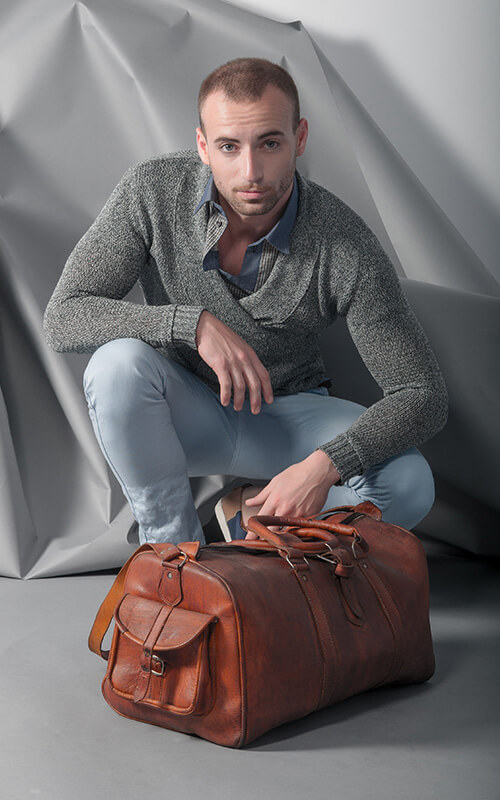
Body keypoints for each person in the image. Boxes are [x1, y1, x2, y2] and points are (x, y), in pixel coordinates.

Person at [43, 57, 448, 546]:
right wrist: (191, 324)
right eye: (229, 147)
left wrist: (326, 466)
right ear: (203, 146)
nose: (250, 171)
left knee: (408, 484)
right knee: (116, 365)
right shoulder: (150, 191)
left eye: (270, 143)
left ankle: (250, 521)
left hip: (287, 418)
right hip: (180, 413)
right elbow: (63, 317)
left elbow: (421, 393)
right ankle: (173, 555)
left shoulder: (345, 243)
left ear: (299, 138)